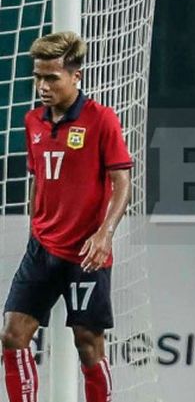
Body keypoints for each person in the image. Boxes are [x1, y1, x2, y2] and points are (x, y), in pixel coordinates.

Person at [1, 31, 132, 402]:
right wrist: (35, 224)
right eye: (38, 77)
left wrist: (105, 234)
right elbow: (37, 177)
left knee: (87, 343)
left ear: (76, 76)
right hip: (41, 249)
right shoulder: (32, 122)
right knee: (13, 335)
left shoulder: (101, 119)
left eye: (51, 78)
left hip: (86, 254)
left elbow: (122, 182)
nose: (42, 86)